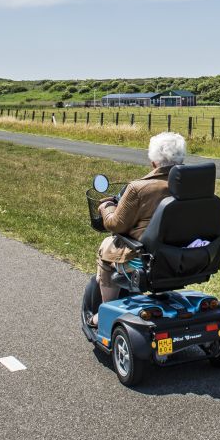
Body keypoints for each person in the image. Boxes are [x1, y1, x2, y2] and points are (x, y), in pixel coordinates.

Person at [91, 131, 185, 325]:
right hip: (187, 255)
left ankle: (107, 310)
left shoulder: (139, 188)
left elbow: (116, 224)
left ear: (153, 162)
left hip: (147, 260)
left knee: (106, 247)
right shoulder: (195, 184)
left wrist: (106, 207)